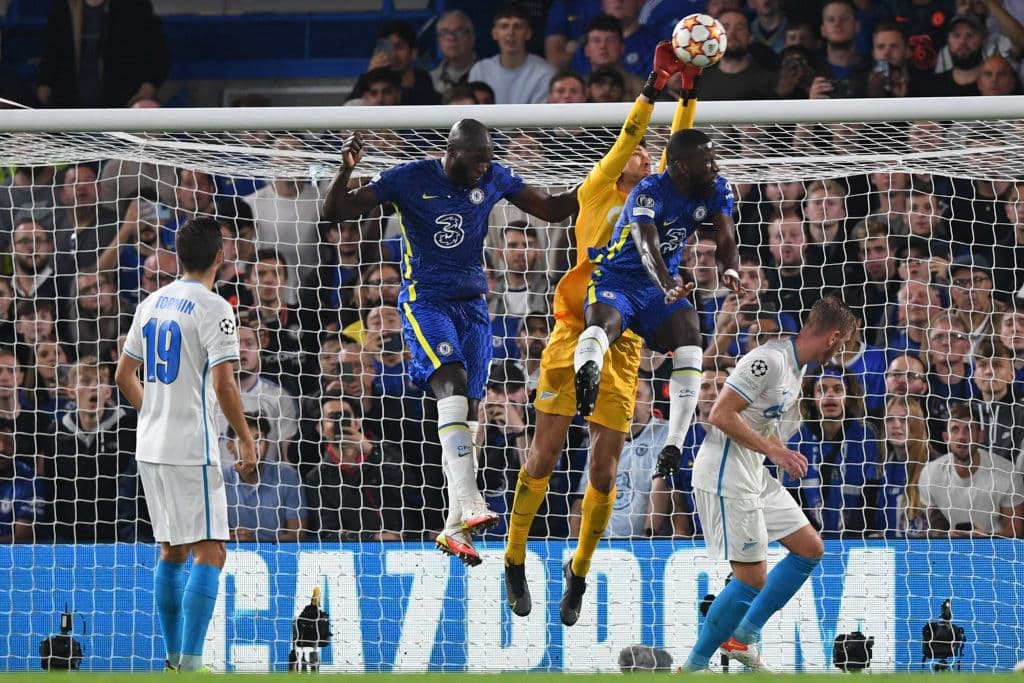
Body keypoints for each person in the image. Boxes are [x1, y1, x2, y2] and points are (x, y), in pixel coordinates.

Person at [498, 41, 700, 621]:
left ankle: (579, 570)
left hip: (627, 337)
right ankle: (515, 556)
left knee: (605, 468)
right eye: (640, 156)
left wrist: (689, 91)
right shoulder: (595, 189)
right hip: (575, 327)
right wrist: (656, 83)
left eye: (653, 159)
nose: (646, 159)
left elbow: (678, 144)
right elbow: (630, 137)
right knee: (543, 456)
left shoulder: (658, 197)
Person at [321, 117, 577, 566]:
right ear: (451, 152)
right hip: (427, 301)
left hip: (474, 306)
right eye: (475, 162)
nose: (482, 171)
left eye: (487, 163)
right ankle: (471, 499)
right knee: (452, 384)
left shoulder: (494, 175)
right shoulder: (408, 177)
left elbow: (554, 211)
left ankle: (455, 526)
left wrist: (603, 180)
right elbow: (335, 212)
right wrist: (345, 169)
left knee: (471, 411)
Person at [680, 296, 857, 672]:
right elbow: (720, 414)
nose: (840, 352)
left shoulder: (796, 369)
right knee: (752, 578)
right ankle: (693, 666)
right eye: (843, 344)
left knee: (809, 548)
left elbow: (760, 425)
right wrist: (774, 452)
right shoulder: (770, 360)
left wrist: (778, 450)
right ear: (833, 336)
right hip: (725, 473)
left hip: (752, 471)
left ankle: (741, 637)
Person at [114, 216, 257, 672]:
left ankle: (174, 661)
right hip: (191, 447)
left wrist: (154, 411)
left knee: (173, 550)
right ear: (220, 256)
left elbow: (122, 375)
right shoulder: (215, 307)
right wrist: (246, 439)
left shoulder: (151, 302)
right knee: (212, 550)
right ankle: (193, 663)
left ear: (177, 256)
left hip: (149, 446)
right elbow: (225, 385)